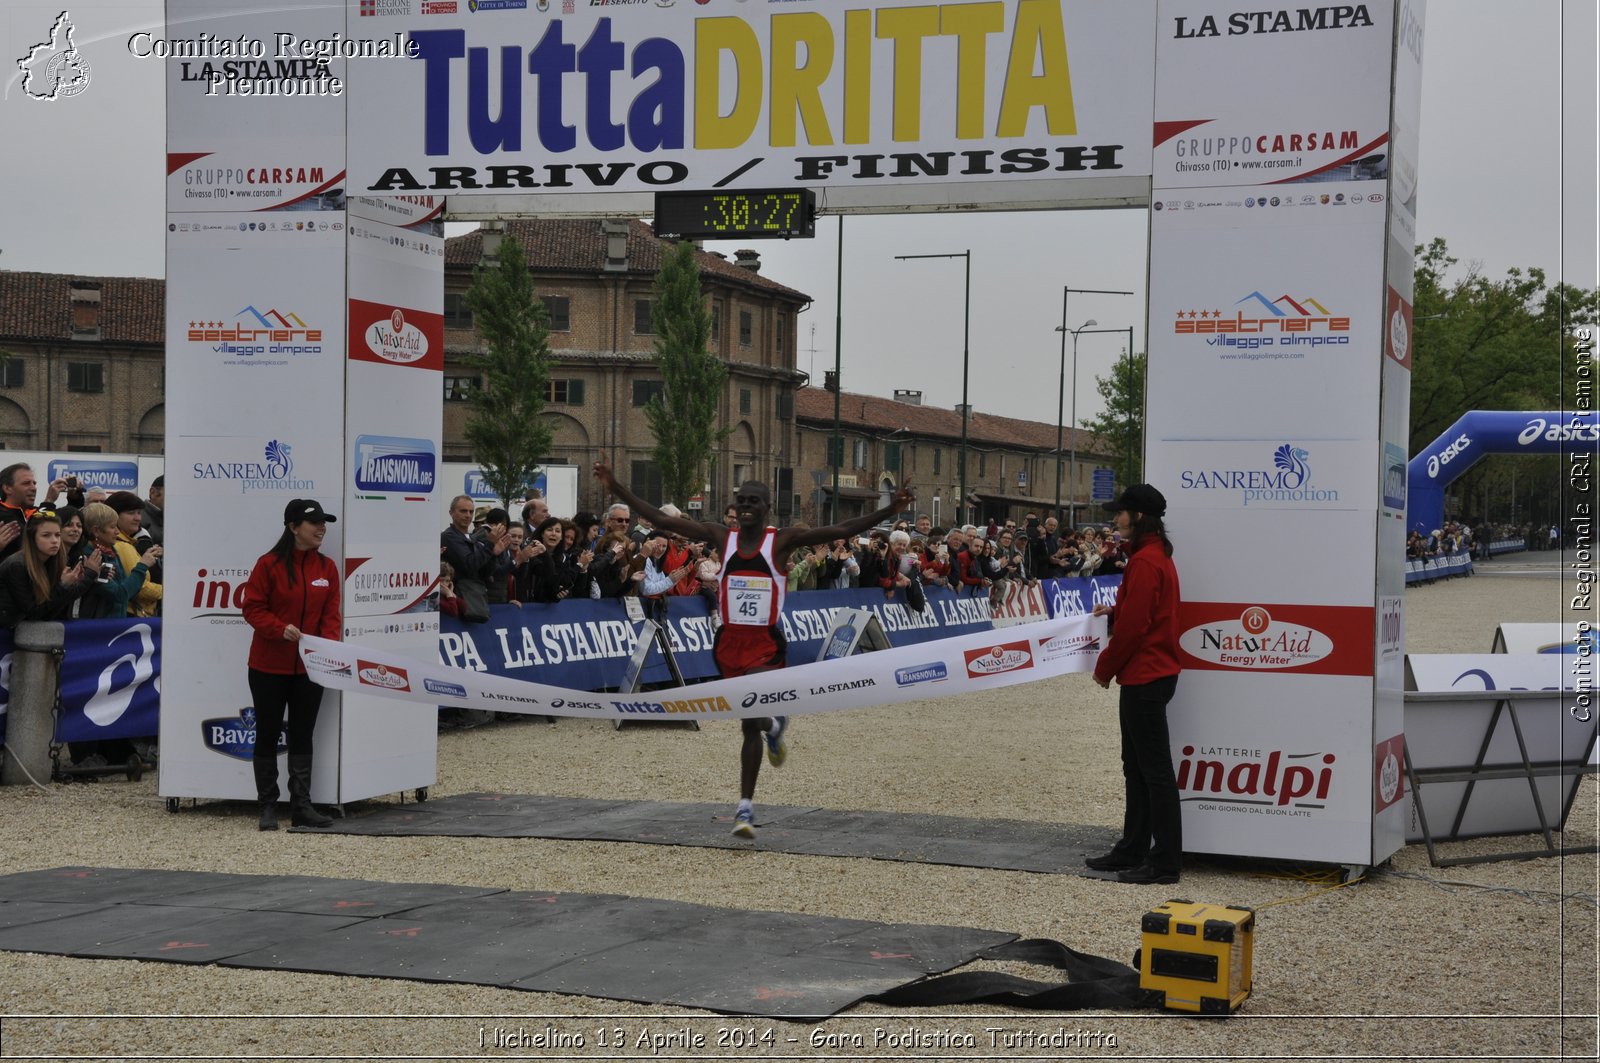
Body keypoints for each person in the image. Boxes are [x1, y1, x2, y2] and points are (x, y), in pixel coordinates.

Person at [594, 459, 914, 838]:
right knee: (751, 722)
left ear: (766, 508)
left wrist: (890, 511)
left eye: (752, 501)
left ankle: (751, 789)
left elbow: (843, 527)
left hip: (765, 644)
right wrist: (616, 488)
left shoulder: (781, 541)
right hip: (729, 642)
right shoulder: (720, 537)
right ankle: (765, 754)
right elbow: (665, 522)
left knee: (752, 713)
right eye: (740, 500)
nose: (744, 506)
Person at [1086, 484, 1184, 886]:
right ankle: (1133, 847)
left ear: (1139, 516)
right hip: (1151, 673)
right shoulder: (1152, 556)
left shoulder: (1145, 561)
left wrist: (1104, 667)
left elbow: (1134, 628)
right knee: (1138, 768)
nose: (1115, 518)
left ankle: (1163, 863)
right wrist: (1115, 611)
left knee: (1153, 771)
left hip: (1146, 674)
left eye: (1121, 512)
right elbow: (1140, 615)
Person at [241, 499, 342, 831]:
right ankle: (267, 807)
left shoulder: (327, 568)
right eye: (314, 523)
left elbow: (331, 615)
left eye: (324, 523)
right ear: (293, 527)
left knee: (303, 734)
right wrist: (278, 629)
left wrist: (324, 648)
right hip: (268, 666)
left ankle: (301, 806)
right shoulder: (267, 565)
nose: (321, 529)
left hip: (309, 670)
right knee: (267, 733)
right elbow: (253, 609)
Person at [0, 508, 94, 627]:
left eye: (57, 535)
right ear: (32, 538)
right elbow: (34, 613)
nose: (54, 541)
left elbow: (49, 613)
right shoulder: (17, 565)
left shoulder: (53, 562)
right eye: (46, 535)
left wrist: (71, 584)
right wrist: (63, 586)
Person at [104, 491, 162, 616]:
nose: (138, 518)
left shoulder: (127, 543)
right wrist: (169, 591)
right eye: (131, 513)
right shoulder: (123, 546)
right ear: (113, 515)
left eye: (139, 513)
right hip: (133, 617)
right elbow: (140, 588)